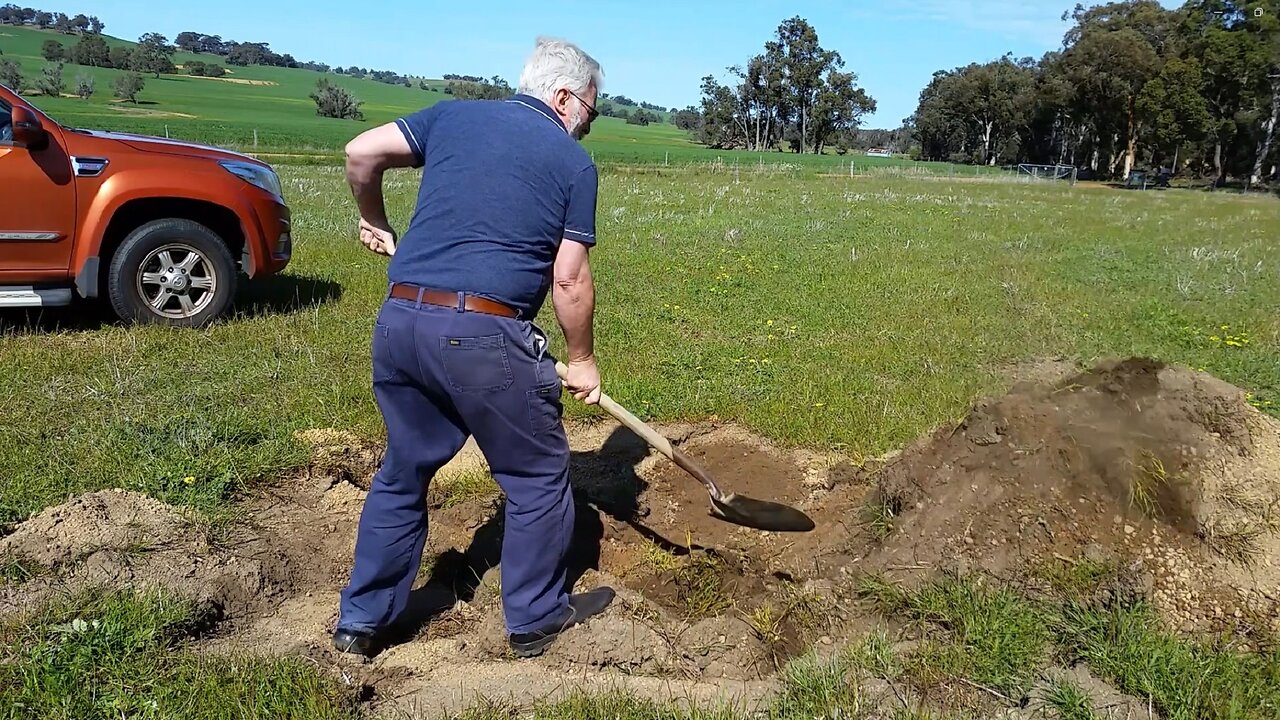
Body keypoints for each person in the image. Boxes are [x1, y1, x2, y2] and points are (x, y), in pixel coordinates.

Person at [333, 37, 613, 658]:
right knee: (538, 476)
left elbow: (360, 152)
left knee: (403, 469)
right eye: (588, 117)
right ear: (564, 98)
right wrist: (585, 358)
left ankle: (361, 623)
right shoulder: (571, 164)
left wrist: (373, 218)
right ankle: (537, 617)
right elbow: (568, 277)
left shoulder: (451, 116)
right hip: (483, 336)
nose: (585, 132)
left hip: (400, 324)